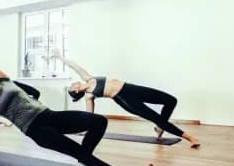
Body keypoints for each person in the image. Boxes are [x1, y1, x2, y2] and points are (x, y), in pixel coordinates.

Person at [0, 47, 156, 166]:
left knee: (99, 121)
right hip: (36, 130)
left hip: (49, 115)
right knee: (80, 152)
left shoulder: (4, 81)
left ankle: (84, 162)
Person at [52, 49, 200, 147]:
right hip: (126, 100)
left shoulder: (88, 78)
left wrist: (60, 58)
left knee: (170, 100)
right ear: (76, 91)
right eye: (71, 87)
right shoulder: (89, 96)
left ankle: (160, 127)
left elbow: (75, 66)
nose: (72, 83)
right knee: (156, 117)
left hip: (131, 88)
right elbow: (89, 117)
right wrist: (82, 129)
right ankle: (189, 137)